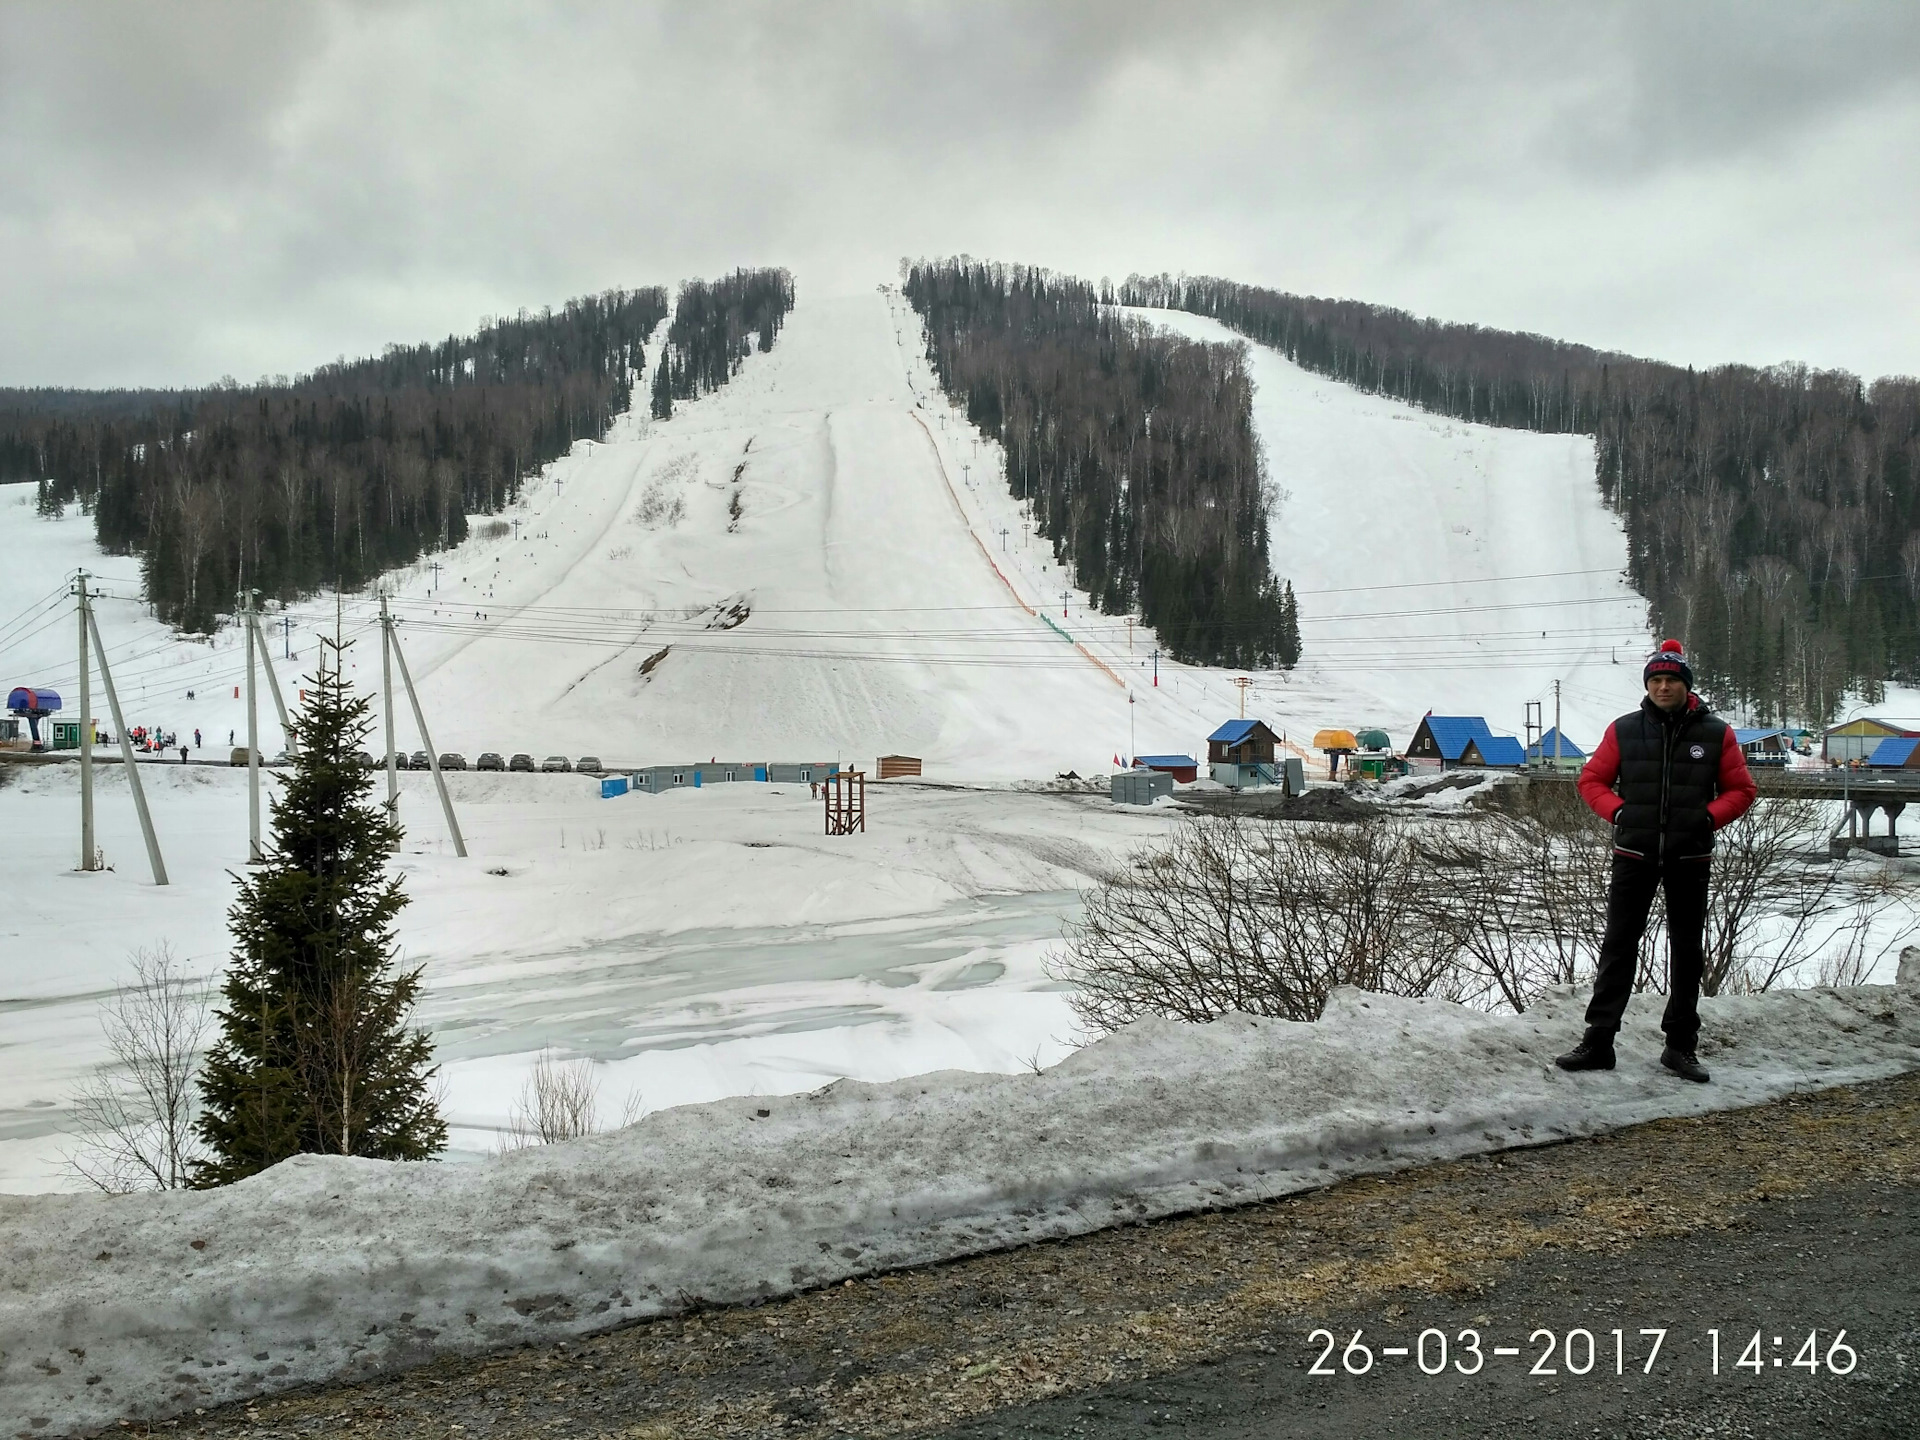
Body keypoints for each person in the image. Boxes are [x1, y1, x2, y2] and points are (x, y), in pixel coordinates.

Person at [1557, 640, 1757, 1083]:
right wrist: (1620, 812)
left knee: (1686, 950)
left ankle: (1680, 1046)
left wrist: (1706, 819)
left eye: (1671, 679)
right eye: (1656, 680)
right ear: (1648, 685)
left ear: (1686, 685)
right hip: (1634, 854)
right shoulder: (1624, 730)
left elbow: (1741, 790)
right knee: (1619, 945)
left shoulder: (1716, 733)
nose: (1663, 686)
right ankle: (1599, 1041)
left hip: (1690, 855)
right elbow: (1592, 780)